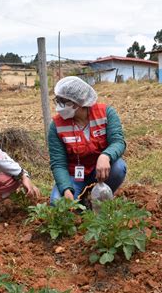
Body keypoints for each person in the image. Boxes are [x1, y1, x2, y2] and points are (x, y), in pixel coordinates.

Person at [48, 76, 127, 205]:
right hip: (74, 176)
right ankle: (82, 202)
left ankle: (101, 198)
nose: (59, 106)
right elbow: (58, 163)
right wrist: (66, 189)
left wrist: (106, 156)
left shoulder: (106, 113)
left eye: (63, 101)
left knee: (118, 167)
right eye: (57, 101)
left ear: (78, 102)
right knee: (58, 202)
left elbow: (118, 141)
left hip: (100, 171)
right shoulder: (56, 126)